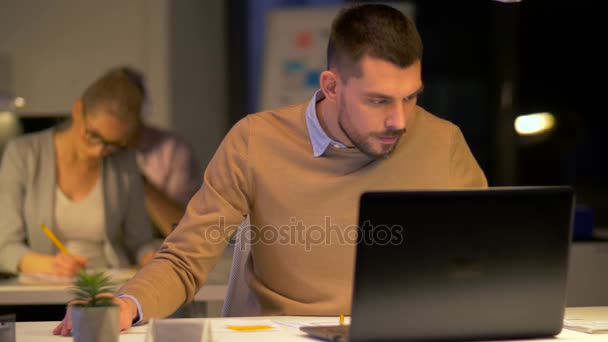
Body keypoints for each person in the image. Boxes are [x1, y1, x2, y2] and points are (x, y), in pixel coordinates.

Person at [55, 3, 487, 334]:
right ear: (332, 86)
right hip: (287, 334)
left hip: (408, 333)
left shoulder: (442, 142)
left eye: (411, 97)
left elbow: (484, 257)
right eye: (378, 101)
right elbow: (186, 257)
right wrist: (128, 303)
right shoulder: (256, 140)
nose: (400, 120)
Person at [0, 68, 157, 277]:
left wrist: (151, 257)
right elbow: (5, 246)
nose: (99, 151)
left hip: (108, 285)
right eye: (93, 135)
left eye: (114, 144)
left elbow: (139, 242)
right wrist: (46, 265)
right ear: (77, 110)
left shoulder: (124, 162)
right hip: (42, 289)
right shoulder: (23, 154)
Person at [119, 67, 201, 238]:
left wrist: (136, 177)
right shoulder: (95, 150)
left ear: (141, 107)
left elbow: (180, 227)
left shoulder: (172, 149)